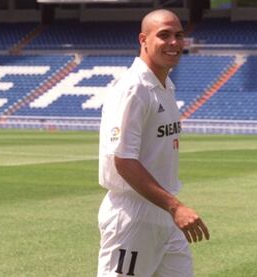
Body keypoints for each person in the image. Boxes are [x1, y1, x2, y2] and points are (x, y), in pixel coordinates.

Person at [97, 9, 210, 277]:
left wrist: (170, 208)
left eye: (179, 35)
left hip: (163, 214)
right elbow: (123, 161)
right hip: (133, 217)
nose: (174, 42)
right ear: (143, 39)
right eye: (164, 35)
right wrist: (176, 207)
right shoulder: (133, 89)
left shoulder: (165, 85)